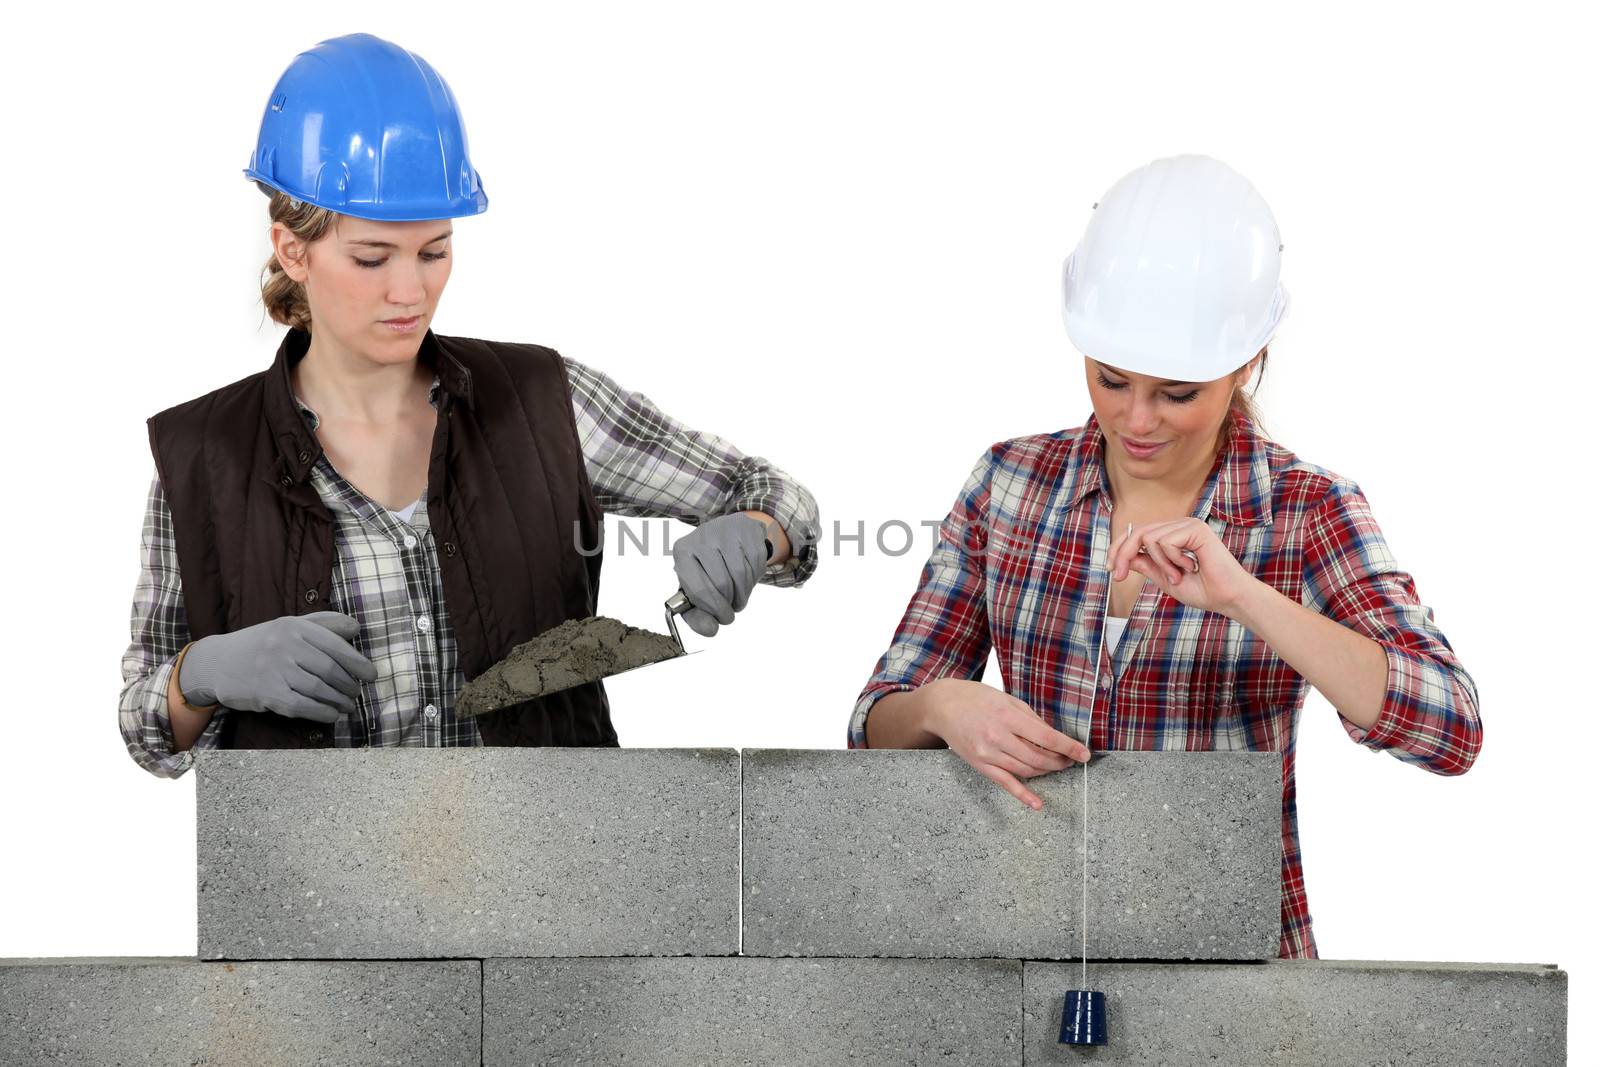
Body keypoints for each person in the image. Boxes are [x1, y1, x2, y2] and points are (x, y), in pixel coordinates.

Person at [119, 33, 820, 779]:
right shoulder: (205, 458)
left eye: (434, 251)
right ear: (293, 250)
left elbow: (780, 498)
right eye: (371, 257)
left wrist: (759, 531)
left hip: (555, 882)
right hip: (319, 895)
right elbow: (145, 728)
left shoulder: (547, 405)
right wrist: (201, 670)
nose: (409, 291)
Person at [847, 153, 1481, 959]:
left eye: (1177, 392)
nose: (1136, 418)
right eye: (1111, 380)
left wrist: (1248, 595)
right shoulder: (1010, 485)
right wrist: (941, 706)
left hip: (1236, 972)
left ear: (1246, 362)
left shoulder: (1304, 510)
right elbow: (873, 724)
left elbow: (1450, 726)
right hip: (1027, 957)